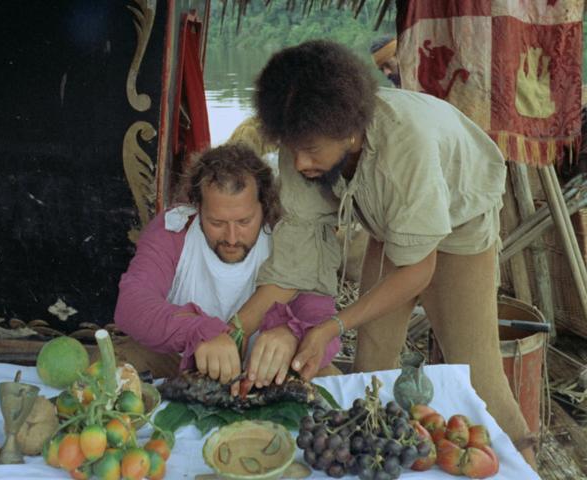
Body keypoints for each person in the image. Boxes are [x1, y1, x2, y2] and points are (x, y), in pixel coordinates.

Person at [235, 40, 537, 466]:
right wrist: (232, 332)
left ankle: (526, 464)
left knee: (478, 373)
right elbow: (290, 270)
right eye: (292, 148)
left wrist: (333, 325)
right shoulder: (303, 140)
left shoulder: (405, 149)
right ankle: (377, 462)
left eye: (312, 150)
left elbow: (417, 271)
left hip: (460, 225)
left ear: (350, 132)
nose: (300, 163)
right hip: (391, 219)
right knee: (370, 365)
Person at [114, 143, 340, 395]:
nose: (232, 238)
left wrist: (292, 334)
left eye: (244, 221)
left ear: (265, 206)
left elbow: (322, 316)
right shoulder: (173, 230)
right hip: (181, 362)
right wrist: (200, 333)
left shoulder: (287, 235)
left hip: (267, 371)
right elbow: (131, 305)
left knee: (327, 375)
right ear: (197, 207)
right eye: (216, 222)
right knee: (114, 370)